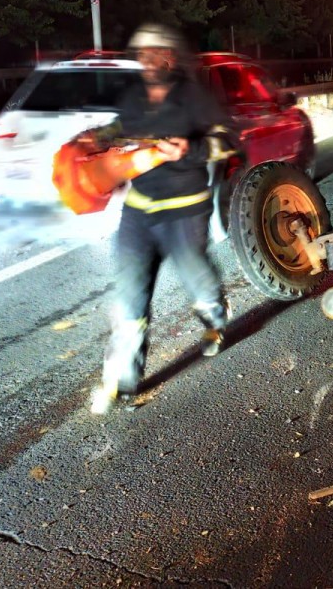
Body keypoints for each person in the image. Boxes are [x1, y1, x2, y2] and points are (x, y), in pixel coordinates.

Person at [89, 23, 236, 414]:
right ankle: (125, 380)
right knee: (129, 293)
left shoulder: (194, 97)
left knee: (196, 278)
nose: (150, 60)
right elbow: (121, 128)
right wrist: (100, 136)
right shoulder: (133, 97)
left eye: (158, 53)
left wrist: (191, 149)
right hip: (139, 210)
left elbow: (227, 140)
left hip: (185, 208)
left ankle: (215, 317)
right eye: (144, 54)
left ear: (171, 57)